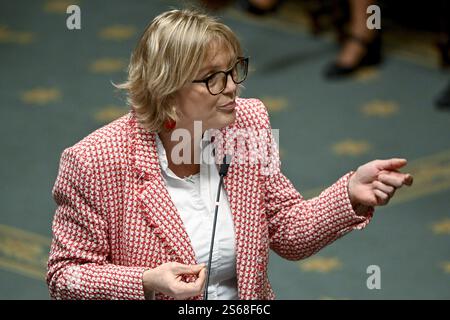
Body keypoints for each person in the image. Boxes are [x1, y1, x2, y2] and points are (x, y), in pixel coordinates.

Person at [47, 9, 413, 300]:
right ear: (166, 91)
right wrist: (145, 281)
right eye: (212, 78)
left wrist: (349, 193)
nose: (233, 87)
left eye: (233, 70)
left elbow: (285, 227)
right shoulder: (95, 161)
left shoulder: (247, 124)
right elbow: (65, 276)